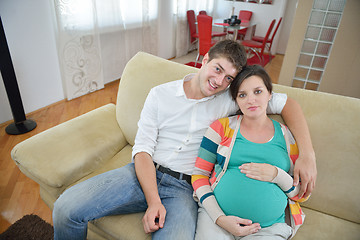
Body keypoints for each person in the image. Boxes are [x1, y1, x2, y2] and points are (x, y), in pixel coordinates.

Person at [52, 40, 316, 240]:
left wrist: (307, 155)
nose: (218, 81)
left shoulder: (232, 99)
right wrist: (153, 200)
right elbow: (142, 150)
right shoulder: (160, 94)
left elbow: (286, 104)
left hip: (186, 191)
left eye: (228, 78)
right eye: (217, 69)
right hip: (142, 173)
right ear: (204, 59)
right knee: (65, 208)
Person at [192, 65, 309, 240]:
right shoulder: (221, 128)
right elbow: (199, 175)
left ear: (270, 94)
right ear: (236, 100)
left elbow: (301, 194)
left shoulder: (288, 137)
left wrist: (277, 175)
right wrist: (220, 218)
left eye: (258, 92)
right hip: (217, 220)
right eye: (242, 95)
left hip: (268, 230)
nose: (251, 100)